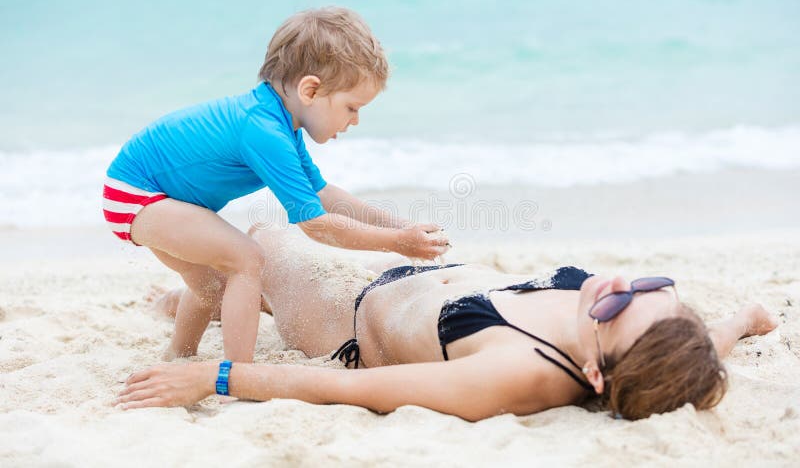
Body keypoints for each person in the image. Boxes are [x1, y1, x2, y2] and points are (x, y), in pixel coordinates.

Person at [117, 227, 778, 421]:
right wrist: (738, 322)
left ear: (597, 371)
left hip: (345, 311)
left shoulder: (515, 373)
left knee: (256, 240)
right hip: (426, 282)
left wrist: (217, 374)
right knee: (238, 271)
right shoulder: (658, 342)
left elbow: (349, 392)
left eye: (615, 307)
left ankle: (190, 303)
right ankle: (190, 300)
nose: (618, 288)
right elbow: (694, 362)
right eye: (647, 287)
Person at [102, 7, 449, 364]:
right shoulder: (264, 130)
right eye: (351, 107)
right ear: (310, 90)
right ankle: (239, 372)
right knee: (246, 259)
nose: (356, 120)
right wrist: (396, 243)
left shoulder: (282, 123)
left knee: (209, 285)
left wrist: (401, 226)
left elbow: (323, 194)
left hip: (145, 194)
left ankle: (179, 356)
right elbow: (315, 225)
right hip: (136, 195)